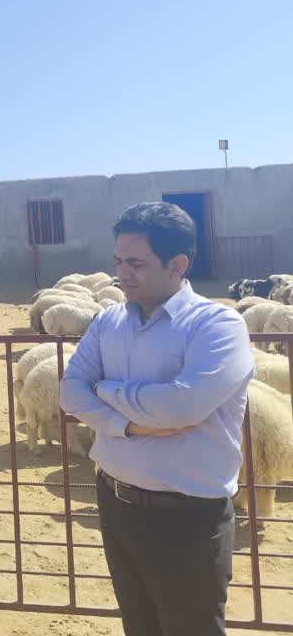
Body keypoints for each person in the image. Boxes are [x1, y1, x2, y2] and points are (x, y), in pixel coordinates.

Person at [60, 202, 253, 636]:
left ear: (177, 264)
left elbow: (183, 407)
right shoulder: (109, 321)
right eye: (118, 262)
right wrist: (128, 425)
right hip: (115, 503)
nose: (122, 274)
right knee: (140, 624)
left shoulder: (217, 326)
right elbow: (70, 392)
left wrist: (104, 390)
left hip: (186, 519)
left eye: (136, 263)